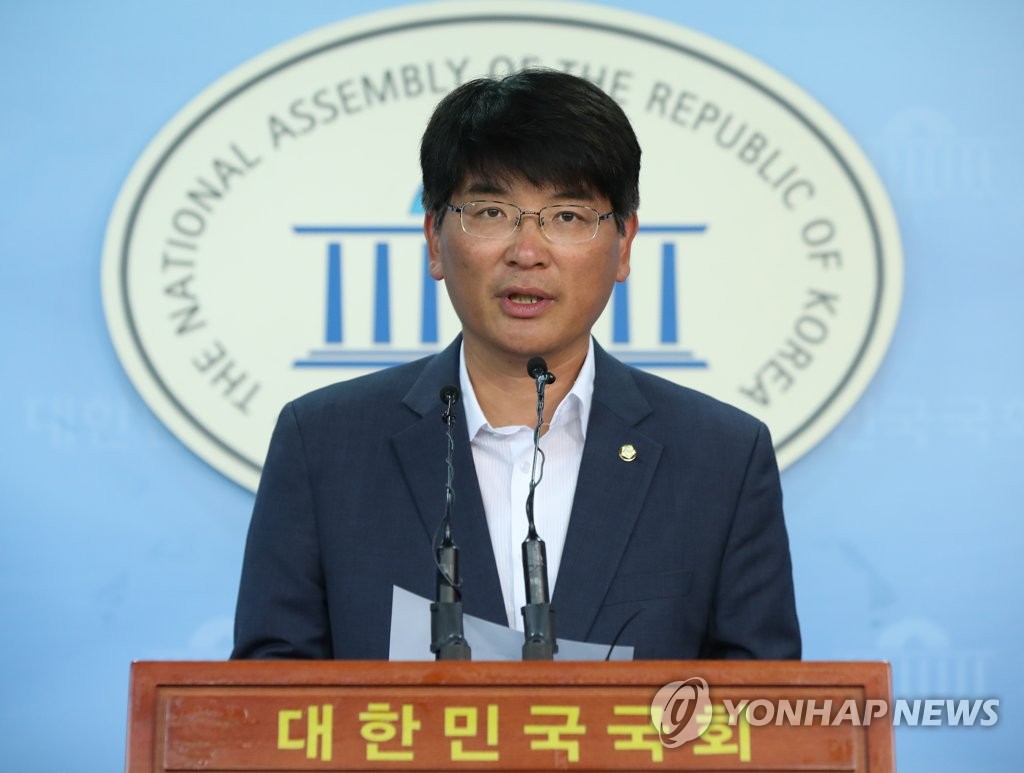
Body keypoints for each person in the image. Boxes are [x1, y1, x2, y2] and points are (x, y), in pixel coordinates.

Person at [232, 69, 800, 660]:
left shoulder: (721, 459)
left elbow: (762, 704)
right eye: (490, 212)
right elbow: (269, 693)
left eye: (568, 216)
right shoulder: (324, 445)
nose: (527, 252)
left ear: (624, 245)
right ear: (434, 240)